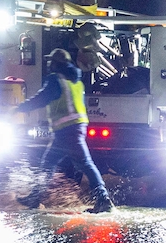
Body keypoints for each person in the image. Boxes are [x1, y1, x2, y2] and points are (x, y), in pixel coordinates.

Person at [13, 48, 114, 214]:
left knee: (84, 164)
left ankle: (103, 199)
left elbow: (42, 98)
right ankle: (35, 197)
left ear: (55, 64)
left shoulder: (56, 80)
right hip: (73, 129)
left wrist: (21, 108)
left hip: (68, 130)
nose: (48, 64)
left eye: (50, 61)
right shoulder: (76, 80)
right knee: (49, 163)